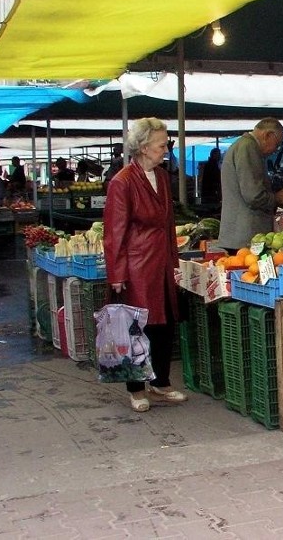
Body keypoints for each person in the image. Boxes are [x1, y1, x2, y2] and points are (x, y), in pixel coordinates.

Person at [103, 117, 186, 413]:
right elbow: (114, 233)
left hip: (162, 261)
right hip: (137, 266)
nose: (166, 149)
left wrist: (174, 261)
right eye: (162, 144)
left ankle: (161, 382)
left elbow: (168, 222)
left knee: (165, 324)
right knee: (137, 327)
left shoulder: (162, 177)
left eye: (167, 144)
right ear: (143, 147)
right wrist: (117, 273)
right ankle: (136, 388)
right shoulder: (122, 182)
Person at [218, 118, 283, 250]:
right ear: (268, 135)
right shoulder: (248, 147)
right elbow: (254, 195)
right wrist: (278, 198)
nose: (276, 149)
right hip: (245, 236)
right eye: (278, 144)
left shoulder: (243, 145)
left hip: (240, 236)